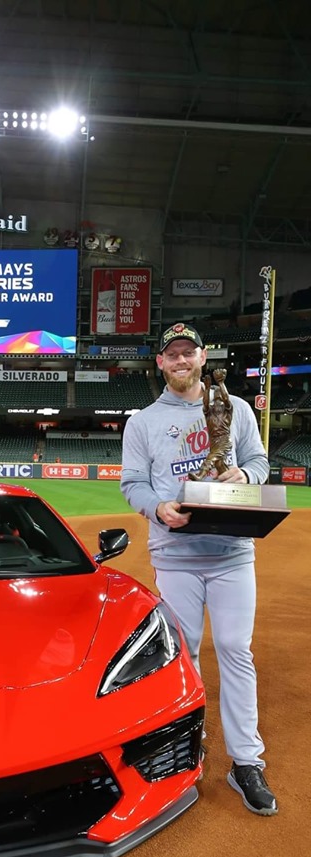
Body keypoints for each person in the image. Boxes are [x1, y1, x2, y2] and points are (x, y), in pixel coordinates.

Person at [120, 322, 277, 816]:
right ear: (161, 363)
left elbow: (259, 461)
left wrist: (244, 474)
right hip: (176, 554)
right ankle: (185, 746)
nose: (182, 361)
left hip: (231, 551)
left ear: (203, 357)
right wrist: (156, 507)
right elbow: (132, 483)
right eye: (173, 355)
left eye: (190, 353)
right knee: (182, 653)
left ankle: (246, 762)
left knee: (235, 650)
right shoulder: (142, 421)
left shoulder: (237, 409)